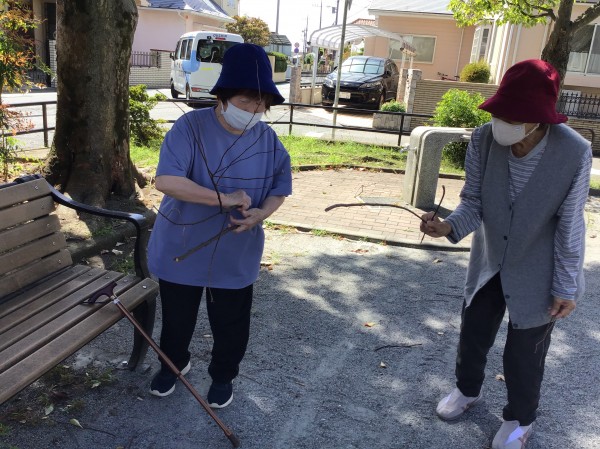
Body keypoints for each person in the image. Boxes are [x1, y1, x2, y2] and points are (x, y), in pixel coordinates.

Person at [420, 59, 592, 449]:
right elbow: (473, 201)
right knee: (474, 330)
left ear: (539, 119)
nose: (502, 123)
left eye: (513, 116)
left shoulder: (574, 152)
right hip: (491, 258)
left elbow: (570, 224)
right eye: (499, 113)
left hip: (538, 268)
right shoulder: (483, 139)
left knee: (524, 353)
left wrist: (566, 286)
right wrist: (448, 226)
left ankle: (519, 419)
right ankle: (467, 390)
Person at [147, 43, 292, 408]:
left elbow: (280, 188)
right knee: (177, 319)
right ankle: (172, 365)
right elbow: (166, 180)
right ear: (223, 96)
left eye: (262, 103)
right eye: (246, 101)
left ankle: (223, 375)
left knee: (231, 323)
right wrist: (225, 199)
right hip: (182, 245)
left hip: (235, 250)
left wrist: (261, 214)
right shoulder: (190, 127)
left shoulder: (268, 140)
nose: (254, 110)